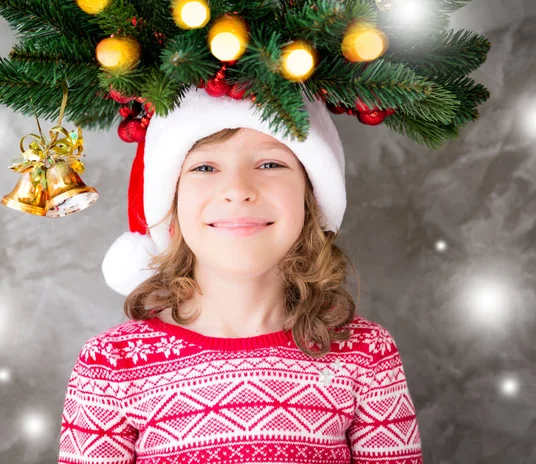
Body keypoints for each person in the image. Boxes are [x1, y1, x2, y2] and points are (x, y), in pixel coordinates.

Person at [57, 85, 424, 463]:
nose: (237, 191)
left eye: (270, 164)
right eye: (204, 167)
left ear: (311, 196)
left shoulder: (366, 354)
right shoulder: (111, 364)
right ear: (172, 200)